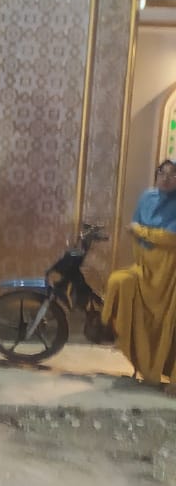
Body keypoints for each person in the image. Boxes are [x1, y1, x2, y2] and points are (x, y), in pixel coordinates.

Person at [102, 160, 176, 394]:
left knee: (167, 325)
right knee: (119, 281)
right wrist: (141, 235)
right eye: (162, 172)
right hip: (146, 268)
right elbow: (133, 227)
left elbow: (169, 238)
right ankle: (111, 331)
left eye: (173, 175)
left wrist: (141, 231)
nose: (166, 178)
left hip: (169, 275)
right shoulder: (147, 197)